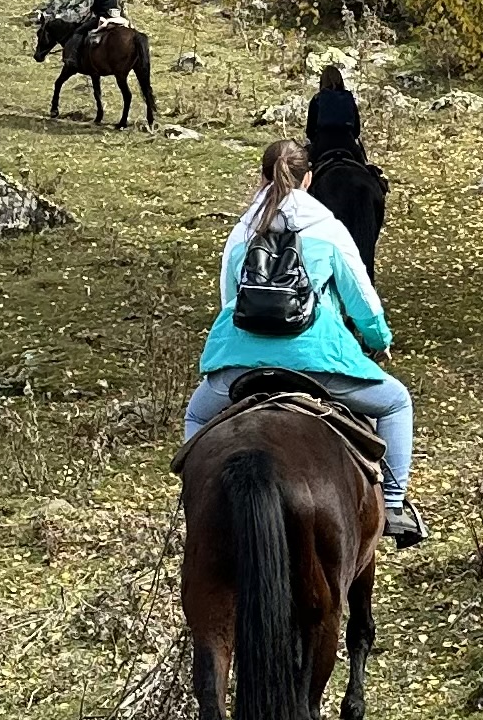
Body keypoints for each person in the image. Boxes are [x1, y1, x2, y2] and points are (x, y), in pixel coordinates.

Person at [181, 137, 423, 544]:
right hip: (319, 362)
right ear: (308, 179)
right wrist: (379, 338)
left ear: (261, 177)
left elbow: (229, 301)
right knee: (397, 401)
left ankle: (198, 502)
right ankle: (395, 507)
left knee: (197, 416)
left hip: (241, 364)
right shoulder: (328, 229)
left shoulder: (241, 232)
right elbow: (361, 300)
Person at [306, 61, 362, 161]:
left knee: (306, 167)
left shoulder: (317, 99)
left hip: (323, 143)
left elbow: (310, 131)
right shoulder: (348, 97)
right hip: (347, 142)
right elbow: (356, 130)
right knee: (364, 166)